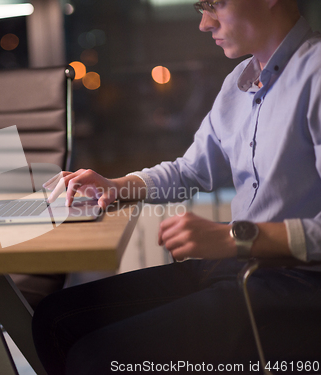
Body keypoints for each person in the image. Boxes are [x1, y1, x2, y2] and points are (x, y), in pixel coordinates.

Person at [31, 0, 321, 374]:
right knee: (53, 320)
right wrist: (118, 186)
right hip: (239, 267)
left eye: (215, 4)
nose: (204, 23)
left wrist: (236, 237)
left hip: (298, 284)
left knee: (96, 358)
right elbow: (190, 170)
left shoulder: (315, 74)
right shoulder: (238, 84)